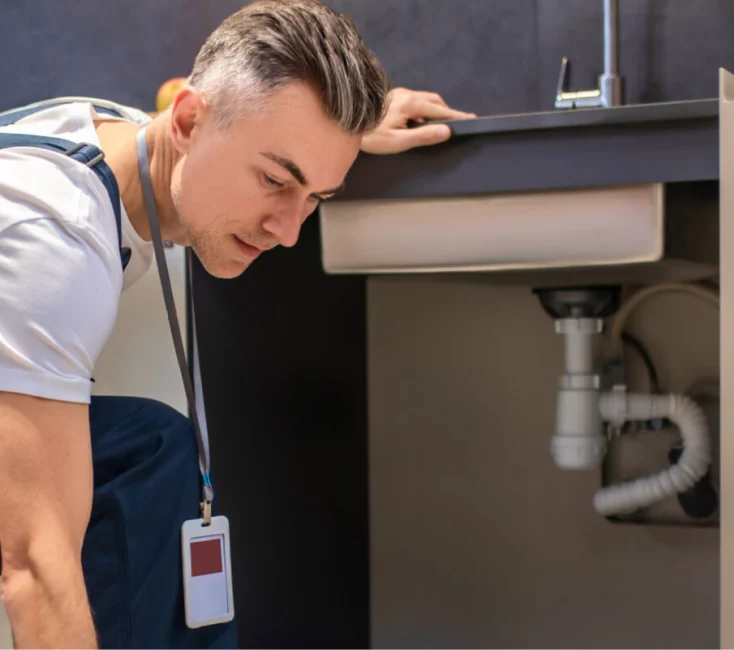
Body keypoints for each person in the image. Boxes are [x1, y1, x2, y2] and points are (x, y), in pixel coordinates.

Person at [0, 0, 474, 647]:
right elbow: (32, 567)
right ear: (190, 119)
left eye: (315, 198)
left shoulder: (119, 139)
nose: (288, 231)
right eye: (276, 180)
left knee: (150, 448)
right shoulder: (54, 243)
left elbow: (233, 123)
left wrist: (337, 141)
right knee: (146, 459)